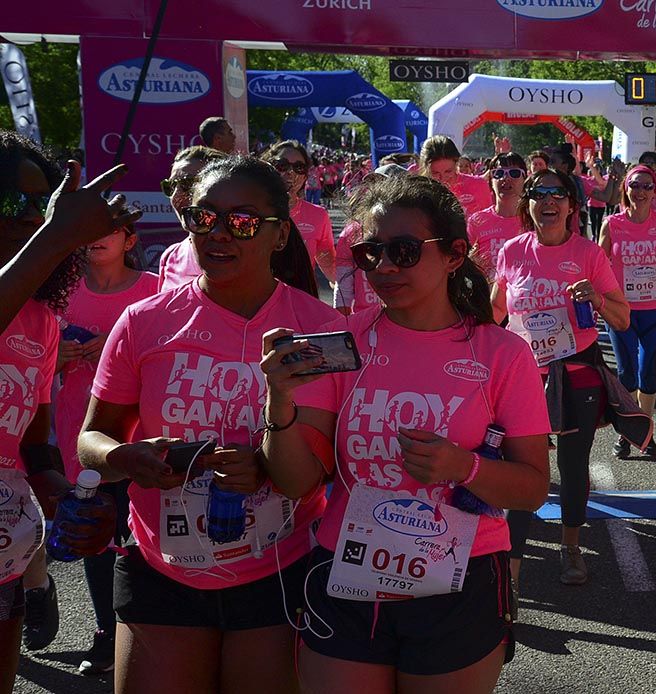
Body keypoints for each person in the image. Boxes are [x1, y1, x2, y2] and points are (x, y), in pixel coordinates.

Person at [259, 175, 550, 692]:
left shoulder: (502, 353)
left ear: (455, 254)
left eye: (404, 251)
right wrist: (278, 400)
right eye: (370, 253)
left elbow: (531, 489)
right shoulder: (344, 343)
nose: (384, 267)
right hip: (346, 571)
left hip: (460, 579)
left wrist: (464, 467)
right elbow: (295, 481)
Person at [78, 156, 331, 693]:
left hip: (277, 570)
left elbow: (305, 480)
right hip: (161, 568)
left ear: (280, 233)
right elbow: (90, 439)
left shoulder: (320, 330)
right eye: (204, 218)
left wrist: (262, 464)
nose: (218, 233)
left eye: (241, 222)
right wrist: (126, 458)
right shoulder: (144, 321)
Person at [0, 131, 120, 694]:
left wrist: (69, 499)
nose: (29, 215)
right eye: (13, 200)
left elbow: (32, 446)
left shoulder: (41, 319)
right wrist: (55, 236)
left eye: (39, 203)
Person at [492, 169, 635, 588]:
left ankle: (570, 546)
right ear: (528, 204)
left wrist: (596, 298)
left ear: (572, 206)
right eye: (539, 194)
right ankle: (512, 567)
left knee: (573, 465)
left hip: (577, 371)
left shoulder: (589, 253)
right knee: (521, 465)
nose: (548, 202)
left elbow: (622, 319)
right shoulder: (513, 251)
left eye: (558, 195)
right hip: (526, 376)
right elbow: (495, 312)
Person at [54, 222, 158, 674]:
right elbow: (29, 355)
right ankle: (104, 633)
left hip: (143, 435)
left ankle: (147, 631)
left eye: (109, 230)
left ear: (130, 241)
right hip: (79, 433)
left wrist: (119, 355)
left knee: (140, 535)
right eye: (88, 228)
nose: (95, 237)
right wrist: (53, 357)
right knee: (94, 535)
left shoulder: (156, 289)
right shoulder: (61, 293)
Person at [599, 165, 656, 458]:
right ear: (626, 188)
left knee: (648, 373)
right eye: (635, 185)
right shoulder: (612, 224)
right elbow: (599, 265)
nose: (641, 192)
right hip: (622, 311)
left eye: (648, 186)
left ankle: (646, 432)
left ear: (655, 190)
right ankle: (626, 434)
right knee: (627, 375)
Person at [333, 164, 410, 316]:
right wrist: (343, 325)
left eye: (386, 185)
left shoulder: (417, 230)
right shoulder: (351, 232)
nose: (378, 190)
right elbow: (343, 286)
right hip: (366, 321)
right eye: (374, 184)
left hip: (409, 320)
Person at [261, 140, 336, 285]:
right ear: (269, 167)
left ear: (305, 176)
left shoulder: (318, 215)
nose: (290, 172)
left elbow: (330, 265)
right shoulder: (253, 209)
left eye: (299, 167)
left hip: (302, 298)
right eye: (282, 165)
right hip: (258, 301)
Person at [157, 146, 227, 291]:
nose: (176, 196)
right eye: (170, 186)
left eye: (187, 184)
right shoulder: (171, 256)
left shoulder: (244, 250)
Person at [467, 152, 526, 282]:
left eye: (514, 173)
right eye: (498, 173)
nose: (506, 178)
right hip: (485, 297)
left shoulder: (534, 221)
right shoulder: (477, 221)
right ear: (491, 182)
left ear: (525, 180)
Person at [420, 135, 492, 217]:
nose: (442, 179)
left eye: (448, 171)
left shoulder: (478, 185)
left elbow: (489, 223)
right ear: (425, 168)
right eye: (435, 173)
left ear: (457, 164)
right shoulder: (420, 193)